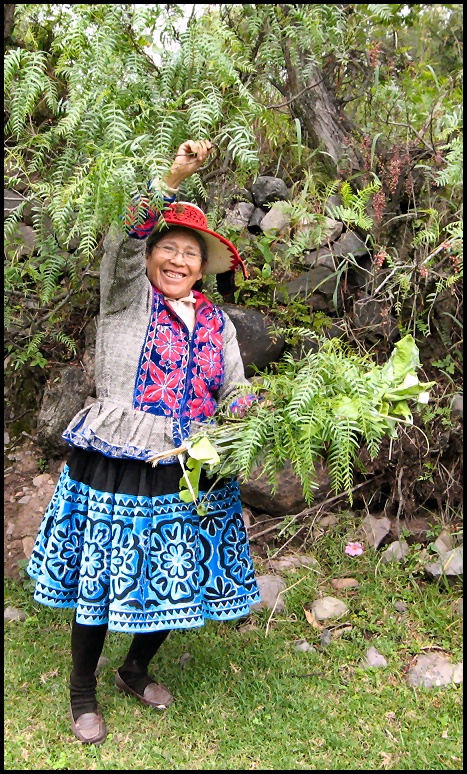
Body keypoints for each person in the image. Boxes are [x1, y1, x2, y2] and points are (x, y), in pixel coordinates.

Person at [26, 139, 261, 745]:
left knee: (174, 575)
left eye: (191, 254)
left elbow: (234, 389)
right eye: (169, 250)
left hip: (189, 464)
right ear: (152, 255)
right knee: (103, 579)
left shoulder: (217, 323)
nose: (179, 261)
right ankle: (82, 690)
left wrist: (249, 415)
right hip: (120, 459)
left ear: (205, 267)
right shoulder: (127, 297)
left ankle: (135, 668)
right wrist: (174, 177)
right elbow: (123, 240)